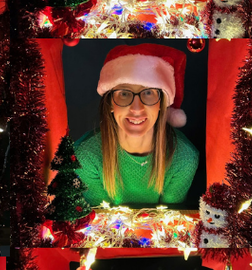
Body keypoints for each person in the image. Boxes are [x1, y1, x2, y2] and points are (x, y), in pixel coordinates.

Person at [73, 43, 199, 206]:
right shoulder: (85, 156)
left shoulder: (184, 158)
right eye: (124, 94)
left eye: (148, 93)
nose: (136, 108)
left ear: (161, 104)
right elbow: (101, 222)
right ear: (110, 103)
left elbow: (170, 223)